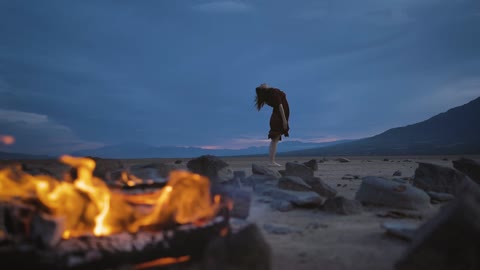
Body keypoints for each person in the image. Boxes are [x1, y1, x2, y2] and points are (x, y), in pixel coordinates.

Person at [255, 83, 290, 166]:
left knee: (275, 140)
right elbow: (280, 106)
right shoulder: (273, 92)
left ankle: (271, 161)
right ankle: (271, 162)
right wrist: (285, 121)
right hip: (278, 118)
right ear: (264, 89)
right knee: (274, 140)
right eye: (262, 85)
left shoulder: (269, 95)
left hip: (276, 117)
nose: (263, 84)